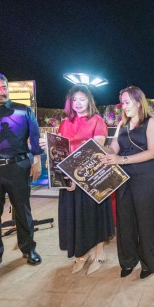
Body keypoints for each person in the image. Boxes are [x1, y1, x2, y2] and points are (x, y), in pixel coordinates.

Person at [43, 85, 114, 275]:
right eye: (75, 99)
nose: (78, 103)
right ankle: (82, 253)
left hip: (91, 178)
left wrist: (74, 176)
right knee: (74, 216)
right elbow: (60, 151)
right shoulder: (65, 123)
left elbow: (93, 152)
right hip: (69, 178)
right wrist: (47, 147)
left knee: (94, 216)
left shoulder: (97, 121)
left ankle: (99, 252)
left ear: (89, 101)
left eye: (82, 99)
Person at [100, 86, 154, 279]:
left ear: (138, 102)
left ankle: (148, 264)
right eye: (122, 103)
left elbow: (152, 152)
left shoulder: (151, 122)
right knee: (125, 221)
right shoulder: (122, 124)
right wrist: (101, 151)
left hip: (145, 176)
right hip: (124, 178)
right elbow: (114, 148)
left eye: (127, 102)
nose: (123, 106)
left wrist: (121, 160)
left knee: (146, 221)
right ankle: (128, 261)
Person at [0, 71, 42, 267]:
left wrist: (37, 159)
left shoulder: (23, 110)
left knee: (23, 211)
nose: (0, 92)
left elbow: (34, 136)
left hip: (18, 167)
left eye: (3, 87)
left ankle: (28, 248)